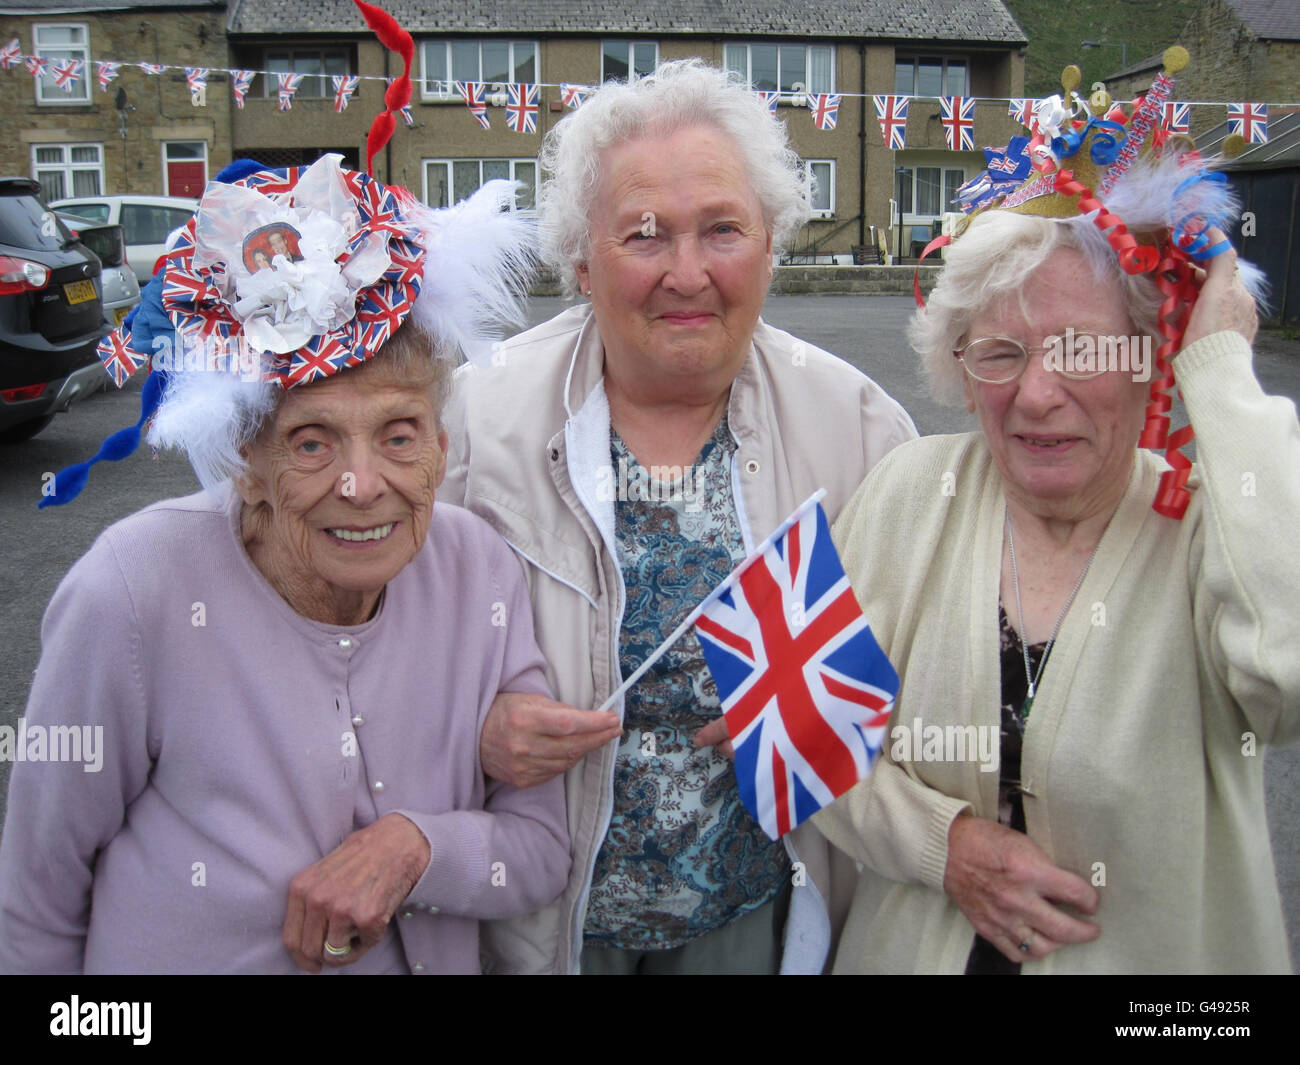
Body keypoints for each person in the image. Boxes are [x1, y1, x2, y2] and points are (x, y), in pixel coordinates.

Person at [0, 154, 569, 974]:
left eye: (400, 434)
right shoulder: (131, 590)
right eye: (311, 440)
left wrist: (416, 849)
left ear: (443, 445)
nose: (362, 484)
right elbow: (36, 906)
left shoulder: (477, 567)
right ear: (245, 458)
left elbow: (541, 849)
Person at [814, 68, 1300, 973]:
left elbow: (1288, 673)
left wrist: (1225, 372)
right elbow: (803, 733)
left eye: (1082, 349)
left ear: (1150, 356)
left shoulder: (1206, 522)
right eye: (1001, 353)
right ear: (959, 365)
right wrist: (940, 845)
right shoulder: (909, 493)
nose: (1037, 394)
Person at [442, 59, 917, 974]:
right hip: (533, 923)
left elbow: (919, 671)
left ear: (772, 243)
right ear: (582, 260)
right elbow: (384, 650)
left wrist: (825, 716)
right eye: (646, 236)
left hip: (751, 910)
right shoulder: (476, 417)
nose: (688, 272)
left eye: (724, 229)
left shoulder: (860, 429)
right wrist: (474, 731)